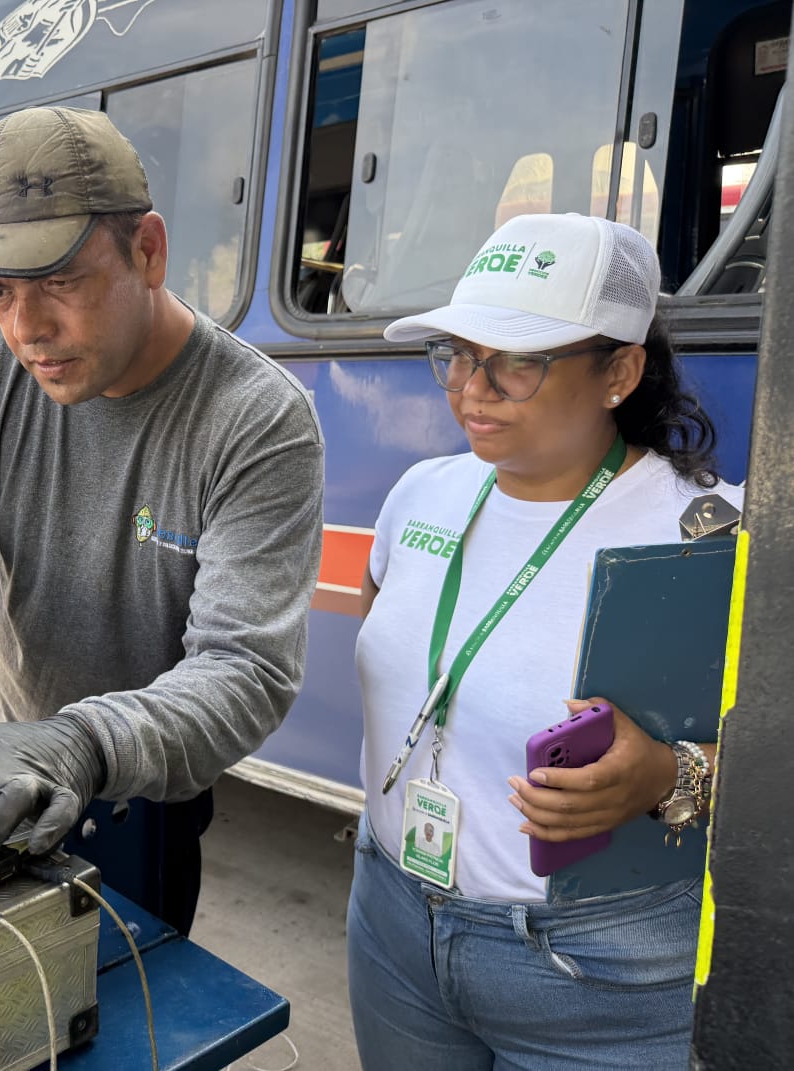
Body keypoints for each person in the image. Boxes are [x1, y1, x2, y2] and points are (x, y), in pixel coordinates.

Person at [0, 105, 325, 934]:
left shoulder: (258, 419)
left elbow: (244, 669)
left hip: (143, 796)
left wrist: (79, 743)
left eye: (59, 282)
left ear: (149, 251)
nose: (28, 330)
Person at [349, 213, 739, 1069]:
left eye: (516, 361)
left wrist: (670, 774)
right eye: (457, 353)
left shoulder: (710, 538)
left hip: (601, 977)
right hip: (393, 921)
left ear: (620, 372)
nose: (470, 388)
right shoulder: (420, 494)